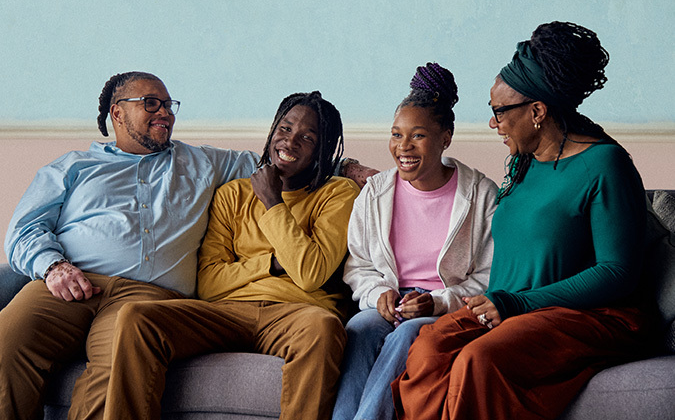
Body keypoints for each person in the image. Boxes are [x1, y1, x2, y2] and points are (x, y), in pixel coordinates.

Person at [0, 72, 373, 420]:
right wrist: (52, 267)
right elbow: (24, 229)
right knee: (7, 345)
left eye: (168, 105)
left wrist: (352, 168)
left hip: (148, 294)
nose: (164, 112)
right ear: (117, 112)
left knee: (115, 359)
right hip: (66, 282)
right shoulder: (73, 166)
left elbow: (292, 161)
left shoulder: (204, 162)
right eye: (150, 103)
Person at [392, 21, 655, 420]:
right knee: (428, 348)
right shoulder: (522, 163)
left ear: (537, 111)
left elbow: (617, 272)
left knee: (479, 359)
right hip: (509, 306)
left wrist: (517, 303)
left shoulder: (605, 165)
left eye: (500, 112)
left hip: (587, 315)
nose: (493, 124)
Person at [101, 91, 360, 420]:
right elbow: (209, 282)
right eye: (284, 129)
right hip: (227, 313)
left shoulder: (337, 193)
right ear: (271, 132)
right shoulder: (231, 195)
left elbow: (310, 273)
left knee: (324, 327)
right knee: (137, 317)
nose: (291, 141)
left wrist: (272, 202)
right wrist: (272, 264)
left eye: (308, 137)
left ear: (323, 148)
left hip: (298, 314)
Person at [332, 63, 497, 420]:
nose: (403, 147)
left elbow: (487, 276)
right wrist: (380, 295)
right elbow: (358, 265)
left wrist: (436, 302)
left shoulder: (481, 194)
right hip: (390, 303)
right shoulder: (375, 193)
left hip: (444, 310)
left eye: (418, 136)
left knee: (407, 336)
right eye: (396, 135)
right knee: (358, 328)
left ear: (445, 137)